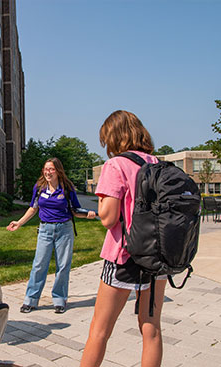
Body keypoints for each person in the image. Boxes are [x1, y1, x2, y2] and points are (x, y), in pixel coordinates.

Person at [80, 110, 167, 367]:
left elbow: (108, 218)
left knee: (99, 330)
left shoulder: (115, 165)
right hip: (159, 254)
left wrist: (103, 200)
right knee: (151, 328)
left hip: (124, 255)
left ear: (114, 137)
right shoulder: (157, 163)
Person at [6, 158, 96, 314]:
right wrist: (19, 223)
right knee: (39, 265)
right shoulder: (40, 187)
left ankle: (60, 300)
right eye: (45, 169)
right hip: (45, 230)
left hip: (64, 230)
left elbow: (75, 210)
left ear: (58, 171)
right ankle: (30, 300)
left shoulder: (67, 188)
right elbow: (33, 208)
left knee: (63, 266)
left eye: (51, 169)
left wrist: (88, 214)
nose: (47, 172)